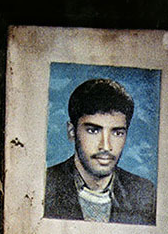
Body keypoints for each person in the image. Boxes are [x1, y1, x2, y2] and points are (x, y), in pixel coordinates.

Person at [44, 77, 156, 225]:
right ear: (72, 131)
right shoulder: (44, 185)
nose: (106, 146)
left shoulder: (144, 193)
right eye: (93, 130)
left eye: (117, 133)